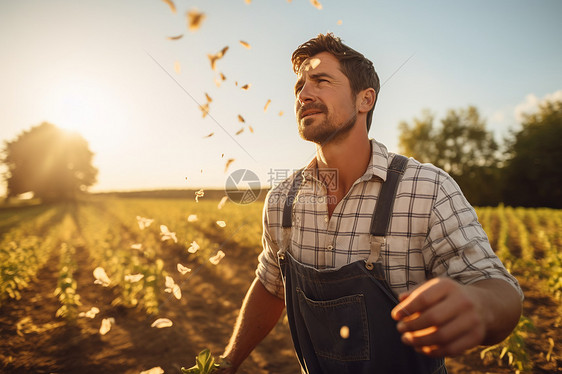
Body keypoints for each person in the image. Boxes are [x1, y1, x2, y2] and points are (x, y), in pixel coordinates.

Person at [216, 33, 523, 374]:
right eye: (299, 86)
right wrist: (227, 363)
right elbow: (271, 286)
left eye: (321, 81)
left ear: (365, 100)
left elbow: (498, 287)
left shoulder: (427, 188)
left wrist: (479, 305)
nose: (304, 94)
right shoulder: (281, 201)